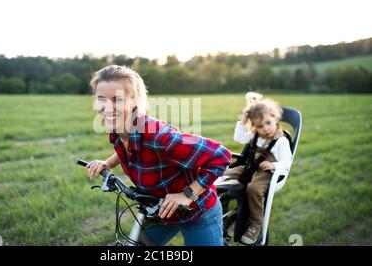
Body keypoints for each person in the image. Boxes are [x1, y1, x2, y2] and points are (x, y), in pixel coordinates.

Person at [84, 65, 232, 246]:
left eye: (117, 99)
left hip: (196, 211)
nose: (108, 107)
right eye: (101, 99)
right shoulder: (118, 130)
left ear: (134, 102)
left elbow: (220, 155)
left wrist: (187, 195)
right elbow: (127, 149)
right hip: (161, 210)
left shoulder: (159, 136)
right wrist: (107, 163)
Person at [220, 92, 292, 245]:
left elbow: (287, 161)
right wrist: (243, 120)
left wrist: (274, 165)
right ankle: (217, 213)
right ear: (254, 126)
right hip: (249, 168)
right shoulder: (256, 136)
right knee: (223, 174)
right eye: (259, 126)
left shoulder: (281, 141)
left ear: (275, 118)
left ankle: (255, 224)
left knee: (253, 189)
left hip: (267, 173)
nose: (265, 129)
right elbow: (238, 138)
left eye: (268, 123)